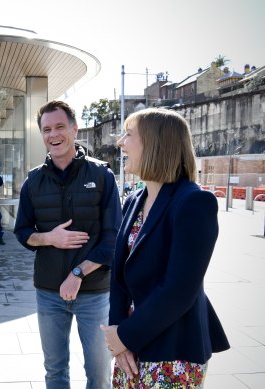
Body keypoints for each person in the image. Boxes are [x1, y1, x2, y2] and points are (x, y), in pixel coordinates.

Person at [100, 108, 230, 388]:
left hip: (173, 351)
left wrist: (125, 336)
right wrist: (118, 335)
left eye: (129, 134)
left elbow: (179, 290)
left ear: (156, 144)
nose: (120, 142)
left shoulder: (194, 202)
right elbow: (119, 276)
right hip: (130, 349)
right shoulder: (135, 199)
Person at [14, 100, 121, 389]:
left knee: (99, 374)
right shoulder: (33, 181)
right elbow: (22, 231)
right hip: (48, 293)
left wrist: (78, 274)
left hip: (94, 293)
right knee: (55, 371)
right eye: (46, 129)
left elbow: (114, 239)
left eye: (60, 126)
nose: (53, 134)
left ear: (74, 129)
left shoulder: (101, 176)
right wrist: (49, 238)